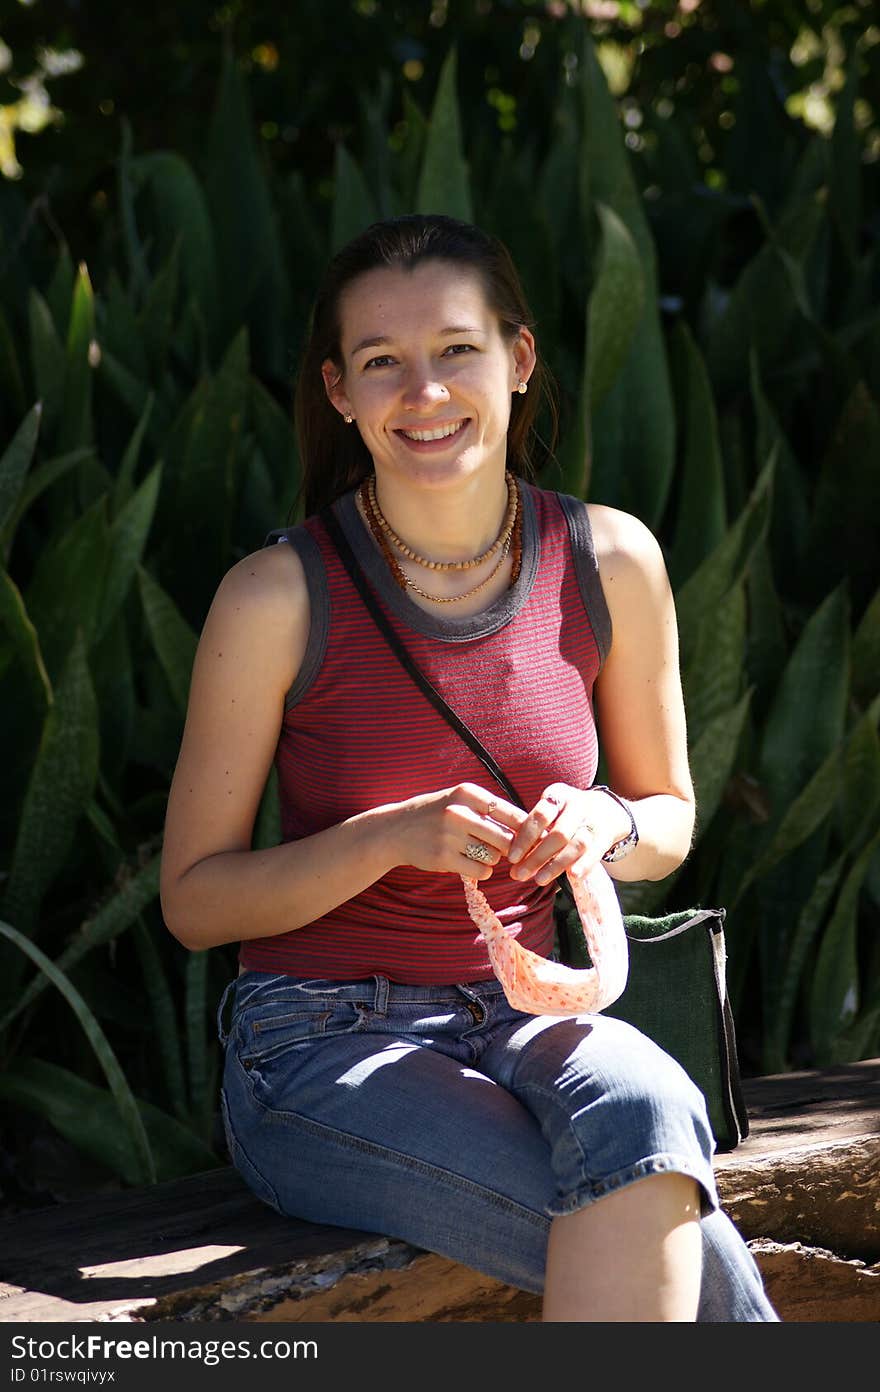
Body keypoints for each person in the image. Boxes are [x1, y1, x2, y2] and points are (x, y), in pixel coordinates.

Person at [160, 214, 777, 1322]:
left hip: (533, 1014)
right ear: (339, 391)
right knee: (661, 1233)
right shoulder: (275, 597)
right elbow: (195, 901)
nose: (425, 391)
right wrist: (386, 839)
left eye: (456, 350)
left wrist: (601, 823)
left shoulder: (611, 560)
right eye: (383, 363)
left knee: (649, 1100)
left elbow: (668, 813)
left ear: (519, 361)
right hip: (316, 1047)